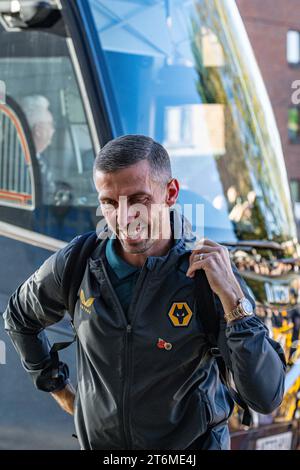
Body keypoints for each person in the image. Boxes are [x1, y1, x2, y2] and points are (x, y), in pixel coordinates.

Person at [3, 135, 286, 450]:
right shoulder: (78, 263)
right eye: (109, 203)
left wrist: (235, 301)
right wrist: (57, 386)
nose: (124, 219)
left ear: (171, 193)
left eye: (138, 199)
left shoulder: (208, 276)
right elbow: (18, 316)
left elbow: (266, 396)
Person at [19, 95, 56, 202]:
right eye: (50, 124)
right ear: (39, 130)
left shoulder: (40, 157)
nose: (53, 130)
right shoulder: (18, 164)